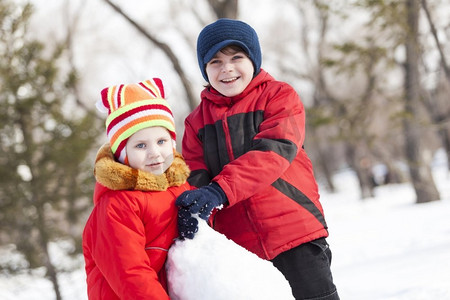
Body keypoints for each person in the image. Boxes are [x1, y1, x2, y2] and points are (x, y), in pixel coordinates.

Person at [176, 19, 339, 300]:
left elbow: (273, 152)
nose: (226, 68)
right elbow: (193, 175)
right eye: (215, 61)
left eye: (236, 57)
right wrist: (193, 210)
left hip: (294, 233)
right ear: (204, 68)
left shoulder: (279, 96)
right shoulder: (195, 122)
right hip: (239, 247)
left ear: (253, 59)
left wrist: (220, 190)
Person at [82, 78, 191, 300]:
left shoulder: (180, 186)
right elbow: (131, 275)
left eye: (161, 141)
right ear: (123, 154)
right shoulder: (116, 205)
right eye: (141, 145)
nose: (155, 153)